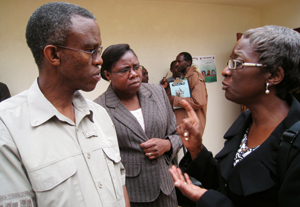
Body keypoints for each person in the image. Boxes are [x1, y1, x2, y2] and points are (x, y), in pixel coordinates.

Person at [0, 2, 130, 207]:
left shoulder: (100, 115)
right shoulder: (7, 127)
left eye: (99, 50)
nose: (99, 61)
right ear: (53, 55)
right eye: (91, 50)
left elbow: (120, 187)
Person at [169, 25, 300, 207]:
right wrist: (196, 149)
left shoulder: (295, 141)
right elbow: (228, 185)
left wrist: (205, 198)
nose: (225, 71)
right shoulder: (244, 122)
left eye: (237, 63)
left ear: (274, 75)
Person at [94, 44, 182, 207]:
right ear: (107, 75)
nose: (133, 74)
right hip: (132, 194)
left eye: (136, 67)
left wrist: (168, 144)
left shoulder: (158, 93)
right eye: (124, 70)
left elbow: (178, 134)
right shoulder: (99, 109)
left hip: (166, 189)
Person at [160, 52, 208, 136]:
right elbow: (175, 98)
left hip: (192, 126)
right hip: (183, 124)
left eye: (179, 62)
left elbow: (198, 101)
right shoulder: (183, 78)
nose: (177, 64)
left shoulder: (194, 76)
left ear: (188, 62)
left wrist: (175, 100)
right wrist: (166, 88)